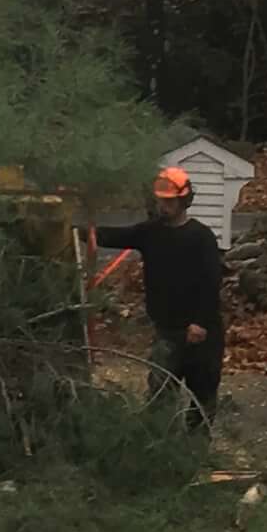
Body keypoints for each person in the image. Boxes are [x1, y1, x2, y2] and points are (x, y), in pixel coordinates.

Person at [94, 163, 226, 424]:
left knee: (202, 397)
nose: (162, 207)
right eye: (160, 201)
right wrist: (79, 231)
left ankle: (196, 449)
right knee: (159, 393)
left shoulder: (201, 238)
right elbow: (113, 235)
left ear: (183, 201)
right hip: (166, 330)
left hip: (200, 334)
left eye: (169, 202)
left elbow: (212, 283)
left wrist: (200, 322)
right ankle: (160, 445)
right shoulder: (150, 232)